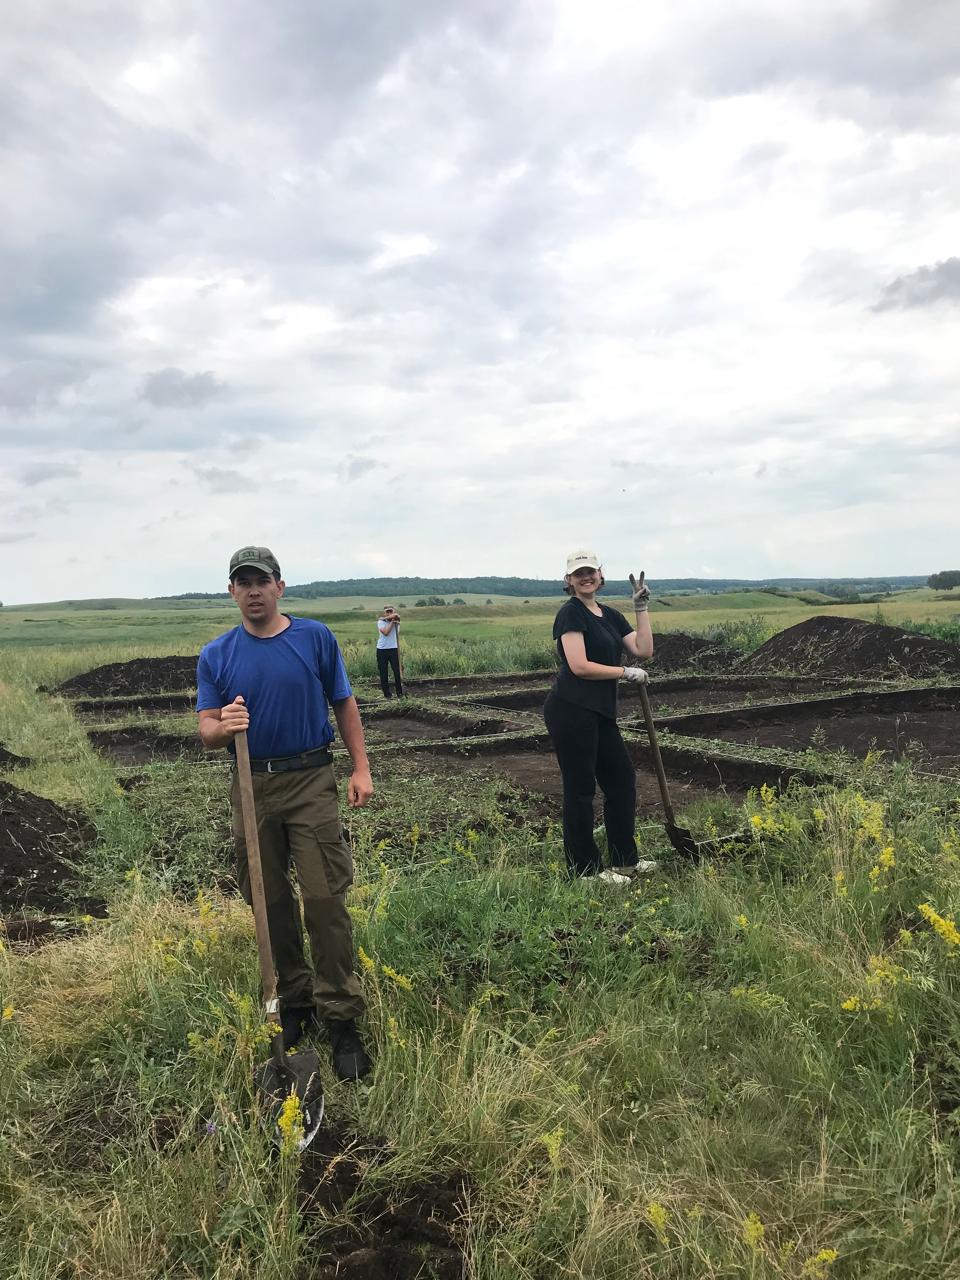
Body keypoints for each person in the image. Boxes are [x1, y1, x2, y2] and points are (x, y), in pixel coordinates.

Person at [196, 546, 374, 1080]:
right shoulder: (217, 654)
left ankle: (340, 1015)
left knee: (324, 898)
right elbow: (206, 730)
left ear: (279, 586)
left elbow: (343, 702)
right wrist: (224, 726)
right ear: (232, 592)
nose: (253, 591)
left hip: (311, 777)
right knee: (269, 901)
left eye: (262, 581)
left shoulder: (315, 638)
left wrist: (360, 768)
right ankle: (294, 1002)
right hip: (252, 784)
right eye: (243, 582)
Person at [543, 550, 654, 884]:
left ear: (600, 575)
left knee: (621, 781)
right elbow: (579, 666)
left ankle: (624, 861)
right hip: (571, 710)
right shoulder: (570, 613)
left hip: (601, 712)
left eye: (590, 571)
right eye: (578, 573)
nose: (586, 577)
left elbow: (644, 650)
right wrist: (623, 672)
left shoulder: (610, 615)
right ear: (569, 580)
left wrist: (641, 609)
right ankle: (585, 871)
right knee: (580, 789)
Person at [376, 605, 403, 699]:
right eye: (387, 612)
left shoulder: (397, 620)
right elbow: (386, 632)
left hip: (394, 649)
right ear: (384, 613)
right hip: (382, 650)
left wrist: (389, 619)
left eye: (390, 611)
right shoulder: (380, 622)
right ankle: (387, 695)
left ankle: (400, 693)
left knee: (397, 671)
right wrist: (391, 622)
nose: (389, 613)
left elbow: (397, 616)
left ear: (394, 611)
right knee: (383, 672)